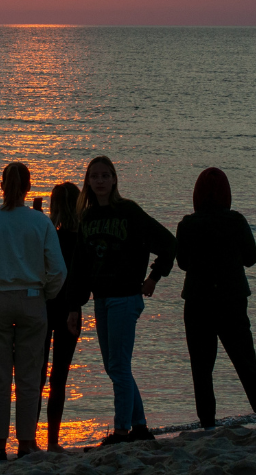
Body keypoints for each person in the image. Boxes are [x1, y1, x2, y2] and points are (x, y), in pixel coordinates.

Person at [66, 156, 177, 448]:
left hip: (126, 298)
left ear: (114, 179)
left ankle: (121, 432)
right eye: (95, 176)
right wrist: (74, 305)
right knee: (115, 366)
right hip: (101, 300)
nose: (100, 181)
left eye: (106, 175)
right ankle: (139, 427)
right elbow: (79, 266)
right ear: (88, 182)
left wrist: (154, 277)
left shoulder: (128, 212)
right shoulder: (87, 218)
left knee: (118, 366)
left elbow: (168, 243)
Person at [0, 163, 67, 462]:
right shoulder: (40, 222)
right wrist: (45, 293)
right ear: (28, 188)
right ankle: (25, 441)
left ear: (2, 186)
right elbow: (58, 269)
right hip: (32, 297)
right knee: (29, 375)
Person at [176, 167, 256, 427]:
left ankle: (207, 422)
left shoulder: (187, 224)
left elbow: (183, 263)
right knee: (245, 362)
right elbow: (252, 258)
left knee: (202, 367)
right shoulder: (236, 220)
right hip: (232, 299)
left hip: (198, 301)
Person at [38, 182, 82, 452]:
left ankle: (29, 437)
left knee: (37, 374)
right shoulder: (81, 238)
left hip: (44, 308)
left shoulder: (47, 236)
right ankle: (52, 440)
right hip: (71, 309)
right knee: (59, 377)